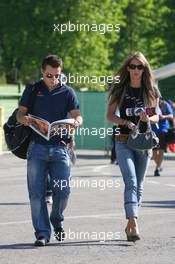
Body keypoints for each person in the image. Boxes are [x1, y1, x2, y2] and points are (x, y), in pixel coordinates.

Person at [16, 55, 83, 246]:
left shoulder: (68, 92)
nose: (54, 79)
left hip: (61, 148)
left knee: (63, 191)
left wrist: (76, 123)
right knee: (36, 194)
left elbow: (78, 116)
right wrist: (24, 119)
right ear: (42, 72)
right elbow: (20, 112)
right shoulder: (33, 89)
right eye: (49, 75)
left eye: (57, 76)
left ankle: (57, 219)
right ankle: (42, 234)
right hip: (36, 148)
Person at [107, 51, 160, 242]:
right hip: (123, 140)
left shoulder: (151, 90)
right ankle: (133, 221)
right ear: (127, 68)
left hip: (144, 143)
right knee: (131, 181)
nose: (136, 70)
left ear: (144, 69)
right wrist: (125, 122)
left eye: (140, 67)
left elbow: (156, 116)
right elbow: (110, 116)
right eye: (132, 66)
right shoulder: (119, 89)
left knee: (139, 184)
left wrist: (148, 118)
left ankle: (131, 219)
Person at [152, 98, 173, 176]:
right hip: (152, 130)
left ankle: (157, 168)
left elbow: (171, 115)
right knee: (154, 151)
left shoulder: (164, 104)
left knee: (161, 149)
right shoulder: (149, 104)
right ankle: (159, 165)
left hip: (162, 130)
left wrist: (163, 116)